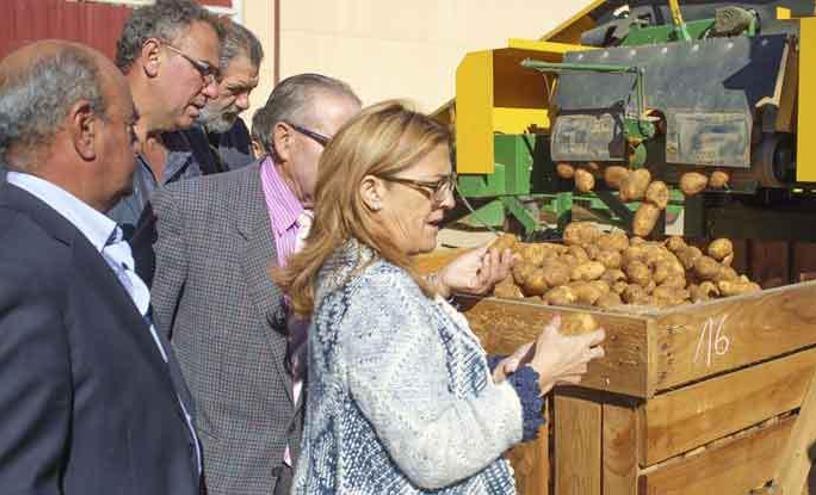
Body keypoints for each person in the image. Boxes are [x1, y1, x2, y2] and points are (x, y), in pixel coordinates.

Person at [279, 101, 606, 494]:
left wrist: (502, 374)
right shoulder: (379, 293)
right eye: (432, 187)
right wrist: (537, 380)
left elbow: (403, 400)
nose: (448, 202)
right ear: (372, 192)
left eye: (448, 185)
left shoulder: (351, 268)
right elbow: (434, 453)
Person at [0, 40, 201, 494]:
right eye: (130, 125)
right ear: (85, 129)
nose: (137, 143)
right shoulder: (22, 265)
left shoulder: (71, 241)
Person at [150, 73, 362, 495]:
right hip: (219, 473)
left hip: (315, 472)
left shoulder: (353, 228)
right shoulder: (192, 210)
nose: (355, 163)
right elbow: (149, 349)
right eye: (342, 147)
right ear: (285, 141)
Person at [108, 0, 222, 232]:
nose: (213, 91)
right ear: (153, 56)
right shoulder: (86, 138)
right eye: (204, 71)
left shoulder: (195, 144)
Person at [182, 19, 263, 174]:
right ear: (207, 77)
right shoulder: (171, 133)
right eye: (235, 89)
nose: (245, 103)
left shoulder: (237, 133)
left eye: (250, 90)